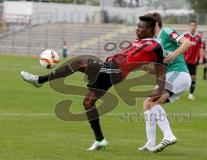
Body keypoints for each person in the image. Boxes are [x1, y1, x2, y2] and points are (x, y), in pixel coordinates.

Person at [20, 17, 167, 151]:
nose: (137, 29)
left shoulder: (155, 46)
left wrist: (159, 89)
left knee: (79, 62)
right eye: (137, 26)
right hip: (110, 67)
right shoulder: (138, 40)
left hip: (115, 71)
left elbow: (161, 70)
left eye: (141, 27)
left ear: (150, 30)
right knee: (88, 103)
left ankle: (40, 80)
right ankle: (100, 140)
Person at [137, 12, 192, 152]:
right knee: (148, 103)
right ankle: (150, 143)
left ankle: (168, 135)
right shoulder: (155, 43)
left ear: (154, 25)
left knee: (152, 100)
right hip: (172, 76)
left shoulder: (166, 31)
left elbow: (187, 42)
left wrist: (175, 54)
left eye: (146, 25)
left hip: (178, 73)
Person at [183, 20, 204, 100]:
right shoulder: (185, 35)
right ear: (189, 26)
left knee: (193, 77)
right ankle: (176, 92)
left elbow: (201, 48)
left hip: (193, 61)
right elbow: (178, 45)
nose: (193, 27)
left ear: (196, 27)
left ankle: (191, 94)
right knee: (181, 77)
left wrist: (201, 58)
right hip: (184, 60)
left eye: (194, 25)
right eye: (191, 25)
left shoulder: (198, 37)